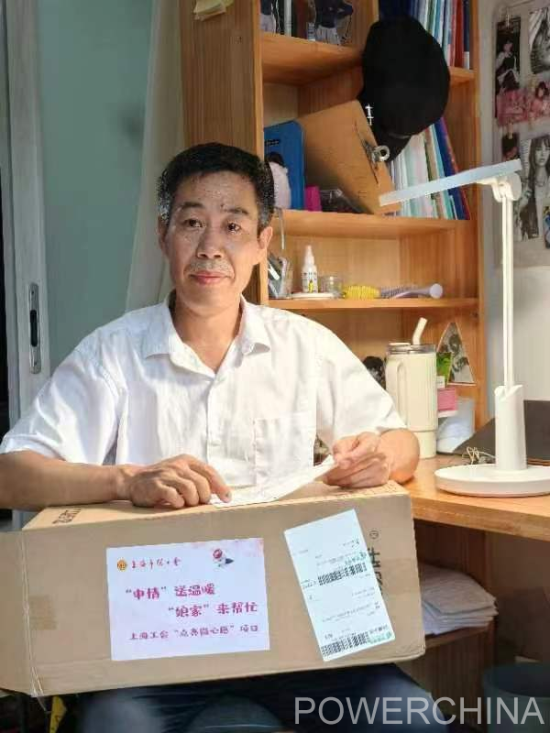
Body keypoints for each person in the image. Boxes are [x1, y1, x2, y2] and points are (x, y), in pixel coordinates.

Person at [0, 142, 440, 732]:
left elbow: (402, 442)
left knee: (409, 716)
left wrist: (380, 456)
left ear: (262, 242)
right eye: (191, 223)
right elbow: (11, 475)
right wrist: (127, 479)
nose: (211, 246)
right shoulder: (112, 354)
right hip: (158, 646)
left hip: (299, 634)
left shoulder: (304, 345)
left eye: (233, 226)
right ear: (163, 236)